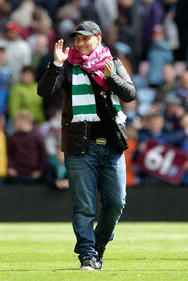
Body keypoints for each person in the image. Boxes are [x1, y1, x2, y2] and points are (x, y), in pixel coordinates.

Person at [37, 21, 136, 270]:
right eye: (76, 39)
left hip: (112, 145)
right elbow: (45, 91)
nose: (79, 43)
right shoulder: (68, 66)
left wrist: (110, 75)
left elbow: (129, 94)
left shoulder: (113, 62)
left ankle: (98, 246)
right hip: (80, 147)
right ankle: (87, 256)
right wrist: (57, 64)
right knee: (84, 207)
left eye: (85, 38)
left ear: (98, 39)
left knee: (116, 203)